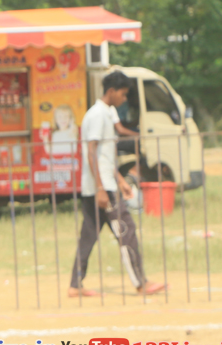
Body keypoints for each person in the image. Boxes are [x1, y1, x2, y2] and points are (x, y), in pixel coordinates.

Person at [69, 70, 166, 298]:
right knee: (127, 231)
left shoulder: (104, 113)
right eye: (122, 94)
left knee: (89, 235)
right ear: (111, 91)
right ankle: (141, 283)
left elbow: (104, 156)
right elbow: (91, 151)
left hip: (102, 184)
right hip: (102, 188)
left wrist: (120, 180)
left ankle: (75, 285)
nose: (124, 99)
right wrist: (101, 188)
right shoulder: (97, 115)